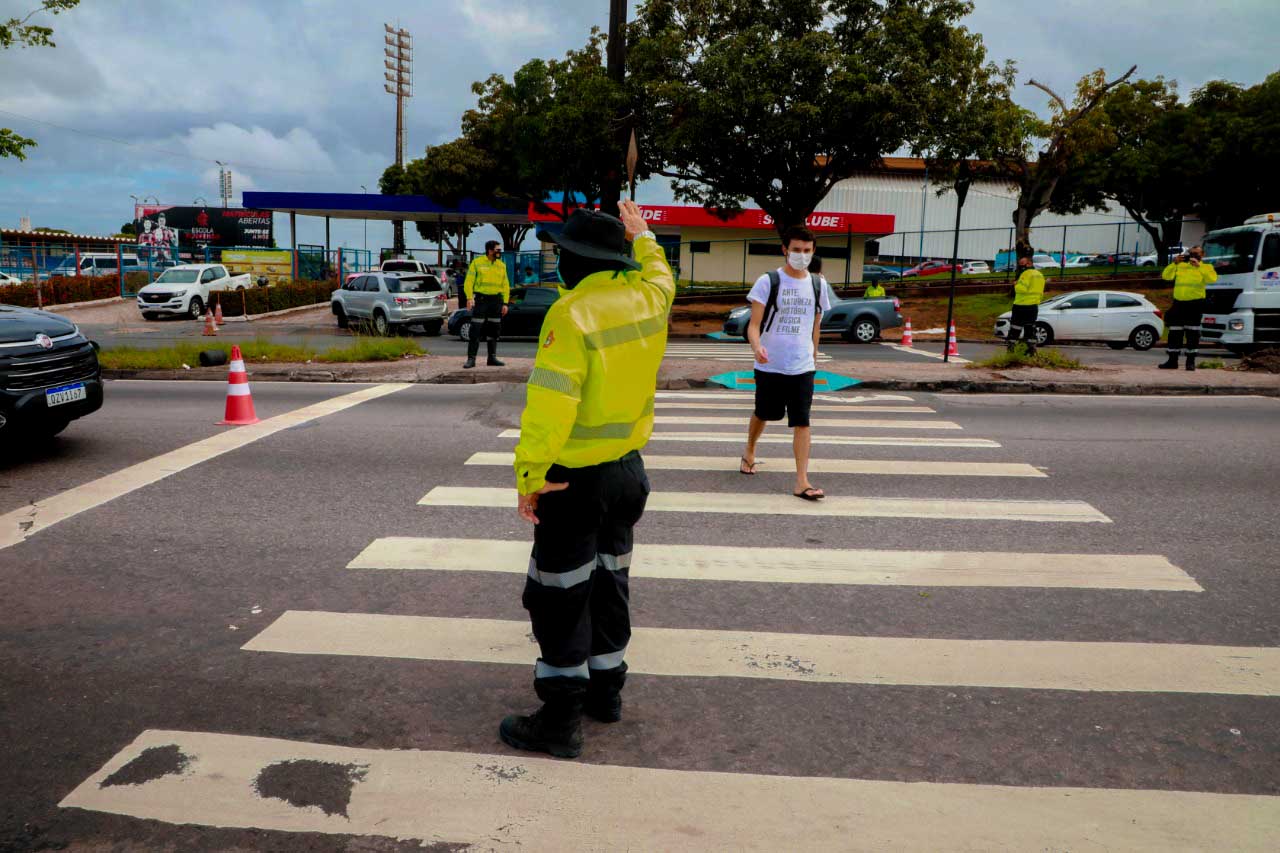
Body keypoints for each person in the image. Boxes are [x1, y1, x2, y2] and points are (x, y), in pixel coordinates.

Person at [500, 201, 673, 760]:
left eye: (561, 255)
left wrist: (529, 475)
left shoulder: (571, 314)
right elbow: (662, 274)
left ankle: (559, 721)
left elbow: (550, 407)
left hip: (571, 482)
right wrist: (643, 235)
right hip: (627, 475)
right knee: (609, 583)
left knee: (561, 595)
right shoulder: (649, 298)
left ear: (574, 260)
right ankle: (607, 694)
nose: (558, 264)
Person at [739, 226, 832, 501]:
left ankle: (801, 481)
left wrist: (813, 357)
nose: (801, 255)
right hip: (770, 364)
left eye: (806, 251)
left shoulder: (818, 284)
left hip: (802, 366)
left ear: (813, 252)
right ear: (785, 250)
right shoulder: (768, 281)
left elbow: (816, 325)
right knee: (764, 413)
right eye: (796, 250)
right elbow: (753, 325)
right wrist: (757, 347)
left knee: (802, 421)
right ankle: (750, 450)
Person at [1159, 246, 1218, 371]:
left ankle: (1190, 362)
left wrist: (1199, 266)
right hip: (1179, 304)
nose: (1193, 255)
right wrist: (1174, 263)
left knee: (1192, 334)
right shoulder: (1180, 266)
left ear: (1202, 255)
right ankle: (1172, 361)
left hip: (1195, 304)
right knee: (1175, 332)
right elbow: (1166, 276)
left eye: (1196, 253)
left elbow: (1212, 279)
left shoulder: (1207, 267)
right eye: (1191, 253)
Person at [463, 241, 510, 369]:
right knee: (475, 330)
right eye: (497, 250)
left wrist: (505, 303)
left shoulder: (502, 265)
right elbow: (469, 281)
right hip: (481, 300)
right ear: (490, 250)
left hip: (496, 301)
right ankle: (471, 359)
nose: (499, 252)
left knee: (494, 330)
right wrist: (469, 297)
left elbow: (505, 285)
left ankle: (492, 358)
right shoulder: (477, 263)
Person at [1008, 255, 1045, 355]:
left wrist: (1016, 284)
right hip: (1033, 307)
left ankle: (1011, 351)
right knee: (1030, 329)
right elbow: (1041, 292)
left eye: (1022, 264)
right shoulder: (1040, 275)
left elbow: (1022, 289)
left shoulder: (1025, 274)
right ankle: (1031, 351)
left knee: (1015, 328)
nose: (1021, 266)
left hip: (1021, 306)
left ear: (1029, 263)